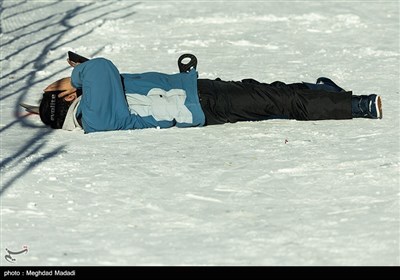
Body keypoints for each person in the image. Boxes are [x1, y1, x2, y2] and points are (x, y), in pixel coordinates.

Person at [39, 57, 382, 133]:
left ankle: (324, 93)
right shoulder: (94, 113)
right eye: (66, 91)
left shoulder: (94, 116)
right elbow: (100, 68)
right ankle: (358, 106)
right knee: (277, 101)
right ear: (69, 99)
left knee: (268, 95)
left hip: (199, 100)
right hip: (200, 101)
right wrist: (74, 75)